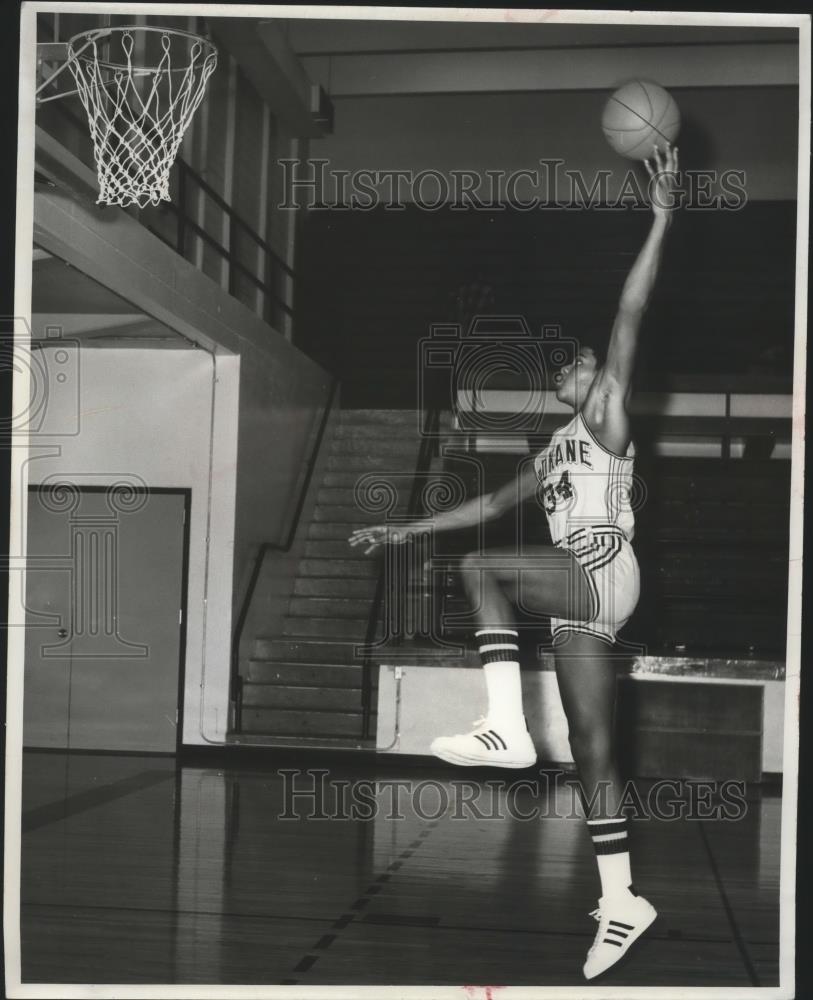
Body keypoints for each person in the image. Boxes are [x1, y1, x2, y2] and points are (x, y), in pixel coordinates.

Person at [349, 142, 678, 979]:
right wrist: (405, 532)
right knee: (592, 748)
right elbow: (491, 505)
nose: (566, 367)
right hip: (580, 596)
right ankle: (620, 899)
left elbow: (629, 317)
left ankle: (503, 728)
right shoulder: (556, 445)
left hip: (603, 567)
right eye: (567, 364)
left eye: (575, 361)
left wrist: (661, 217)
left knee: (484, 571)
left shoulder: (607, 415)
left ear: (598, 377)